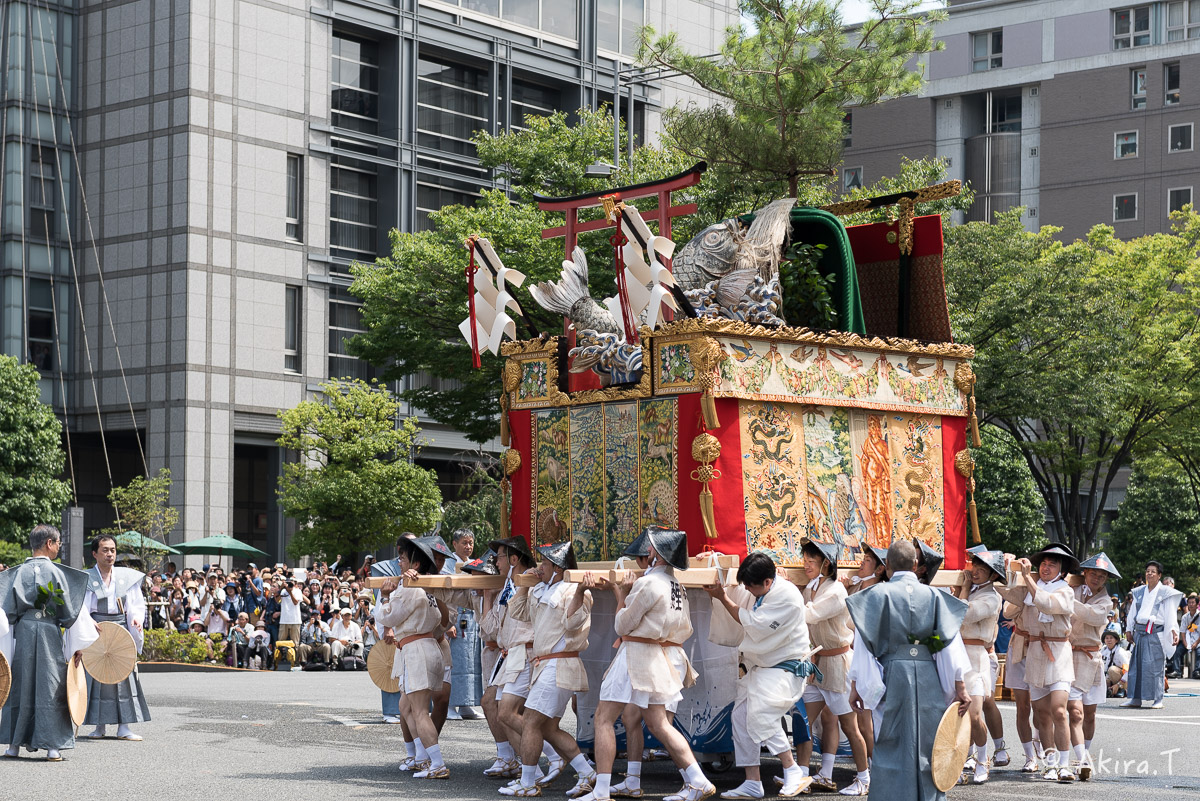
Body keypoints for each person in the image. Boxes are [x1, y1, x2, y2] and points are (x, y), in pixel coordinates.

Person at [584, 528, 712, 801]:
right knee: (658, 723)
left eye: (650, 549)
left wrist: (623, 594)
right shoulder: (675, 584)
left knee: (604, 717)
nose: (646, 553)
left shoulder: (648, 583)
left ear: (656, 554)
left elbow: (621, 625)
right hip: (658, 655)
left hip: (638, 654)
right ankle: (697, 779)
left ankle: (601, 791)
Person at [845, 540, 972, 801]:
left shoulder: (876, 596)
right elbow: (947, 644)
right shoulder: (934, 596)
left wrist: (856, 685)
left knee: (891, 741)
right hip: (928, 673)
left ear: (887, 565)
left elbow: (864, 645)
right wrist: (959, 686)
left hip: (893, 673)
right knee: (930, 742)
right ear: (916, 565)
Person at [705, 550, 814, 799]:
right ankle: (752, 781)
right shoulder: (762, 588)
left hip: (784, 667)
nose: (748, 591)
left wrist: (722, 596)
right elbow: (739, 584)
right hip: (763, 667)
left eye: (751, 587)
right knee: (741, 716)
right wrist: (715, 559)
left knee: (760, 714)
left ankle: (792, 768)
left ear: (766, 582)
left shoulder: (785, 596)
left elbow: (753, 624)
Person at [502, 541, 596, 798]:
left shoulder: (578, 590)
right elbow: (518, 613)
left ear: (557, 566)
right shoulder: (539, 589)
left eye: (544, 562)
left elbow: (572, 622)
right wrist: (524, 585)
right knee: (548, 728)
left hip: (561, 663)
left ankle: (529, 782)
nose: (539, 567)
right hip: (545, 665)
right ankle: (587, 773)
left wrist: (579, 592)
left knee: (531, 721)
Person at [0, 524, 101, 761]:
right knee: (51, 684)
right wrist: (77, 645)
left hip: (23, 630)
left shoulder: (15, 573)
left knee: (21, 682)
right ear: (49, 543)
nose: (58, 548)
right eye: (58, 543)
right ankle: (52, 746)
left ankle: (14, 744)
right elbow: (70, 611)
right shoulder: (58, 573)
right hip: (47, 630)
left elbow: (7, 613)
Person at [795, 539, 871, 796]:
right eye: (804, 560)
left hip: (838, 665)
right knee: (804, 719)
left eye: (811, 561)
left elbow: (811, 615)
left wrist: (783, 592)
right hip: (817, 664)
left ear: (826, 564)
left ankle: (863, 778)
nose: (806, 565)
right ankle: (803, 775)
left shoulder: (836, 591)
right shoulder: (811, 588)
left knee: (849, 726)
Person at [998, 544, 1078, 781]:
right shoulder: (1028, 587)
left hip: (1059, 651)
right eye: (1043, 563)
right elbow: (1007, 593)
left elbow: (1046, 604)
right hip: (1034, 650)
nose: (1046, 567)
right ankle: (1050, 764)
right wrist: (1006, 569)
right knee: (1041, 713)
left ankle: (1065, 764)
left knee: (1059, 710)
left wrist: (1027, 578)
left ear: (1061, 570)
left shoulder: (1066, 591)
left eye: (1052, 564)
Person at [377, 536, 450, 779]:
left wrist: (386, 596)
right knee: (405, 705)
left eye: (403, 558)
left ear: (415, 564)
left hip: (418, 649)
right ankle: (421, 757)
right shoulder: (423, 588)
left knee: (419, 710)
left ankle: (436, 763)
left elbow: (388, 618)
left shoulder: (411, 588)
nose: (399, 562)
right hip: (422, 646)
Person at [489, 536, 560, 784]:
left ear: (513, 559)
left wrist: (527, 584)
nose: (495, 562)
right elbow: (493, 625)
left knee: (510, 713)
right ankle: (534, 771)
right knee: (501, 712)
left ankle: (553, 755)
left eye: (499, 557)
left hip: (526, 650)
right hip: (511, 651)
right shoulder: (510, 584)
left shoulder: (532, 582)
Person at [81, 534, 151, 740]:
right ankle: (99, 725)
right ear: (94, 553)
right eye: (105, 550)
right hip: (97, 629)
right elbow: (82, 607)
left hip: (121, 628)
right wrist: (88, 621)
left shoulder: (126, 578)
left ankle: (124, 726)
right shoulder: (87, 578)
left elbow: (137, 605)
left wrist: (136, 619)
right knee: (97, 677)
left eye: (112, 550)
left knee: (123, 678)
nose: (110, 554)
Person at [951, 549, 1005, 784]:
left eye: (983, 568)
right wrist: (958, 591)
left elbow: (964, 614)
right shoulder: (966, 589)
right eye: (975, 565)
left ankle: (983, 759)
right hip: (953, 652)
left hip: (976, 656)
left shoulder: (992, 597)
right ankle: (962, 756)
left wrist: (961, 592)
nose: (976, 570)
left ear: (993, 575)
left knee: (974, 714)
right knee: (953, 713)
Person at [1068, 552, 1119, 780]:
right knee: (1075, 712)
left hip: (1091, 659)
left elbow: (1092, 616)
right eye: (1093, 573)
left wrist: (1066, 600)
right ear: (1085, 573)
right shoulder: (1072, 589)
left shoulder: (1105, 601)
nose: (1096, 578)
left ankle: (1085, 751)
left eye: (1101, 575)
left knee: (1089, 713)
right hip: (1067, 656)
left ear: (1106, 579)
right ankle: (1081, 758)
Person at [1122, 560, 1183, 710]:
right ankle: (1135, 698)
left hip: (1156, 633)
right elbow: (1133, 613)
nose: (1149, 573)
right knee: (1136, 666)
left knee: (1155, 667)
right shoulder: (1139, 591)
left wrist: (1173, 630)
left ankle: (1157, 699)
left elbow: (1170, 614)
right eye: (1147, 571)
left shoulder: (1165, 592)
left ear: (1159, 575)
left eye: (1153, 571)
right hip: (1140, 632)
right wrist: (1129, 629)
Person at [449, 527, 484, 720]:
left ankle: (466, 703)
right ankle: (450, 705)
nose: (468, 546)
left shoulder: (476, 563)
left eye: (470, 542)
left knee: (472, 661)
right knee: (455, 661)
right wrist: (448, 622)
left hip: (472, 617)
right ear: (454, 544)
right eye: (464, 542)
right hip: (456, 616)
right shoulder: (448, 563)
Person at [1101, 630, 1129, 697]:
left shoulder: (1120, 652)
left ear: (1116, 640)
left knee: (1112, 669)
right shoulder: (1103, 651)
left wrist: (1119, 684)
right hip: (1109, 676)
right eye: (1107, 638)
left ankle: (1121, 689)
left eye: (1111, 638)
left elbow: (1128, 670)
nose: (1109, 640)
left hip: (1124, 679)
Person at [279, 578, 303, 645]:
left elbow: (295, 602)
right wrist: (281, 588)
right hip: (284, 620)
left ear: (295, 584)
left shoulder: (298, 591)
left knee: (295, 643)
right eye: (288, 582)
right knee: (281, 642)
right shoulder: (283, 591)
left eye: (291, 583)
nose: (290, 584)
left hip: (295, 620)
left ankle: (295, 655)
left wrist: (290, 592)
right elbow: (276, 599)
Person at [1181, 594, 1199, 679]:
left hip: (1198, 641)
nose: (1191, 604)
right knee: (1177, 652)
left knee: (1199, 652)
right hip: (1187, 640)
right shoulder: (1185, 617)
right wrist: (1185, 643)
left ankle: (1197, 671)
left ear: (1197, 604)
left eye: (1193, 602)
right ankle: (1177, 671)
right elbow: (1183, 631)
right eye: (1189, 603)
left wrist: (1196, 643)